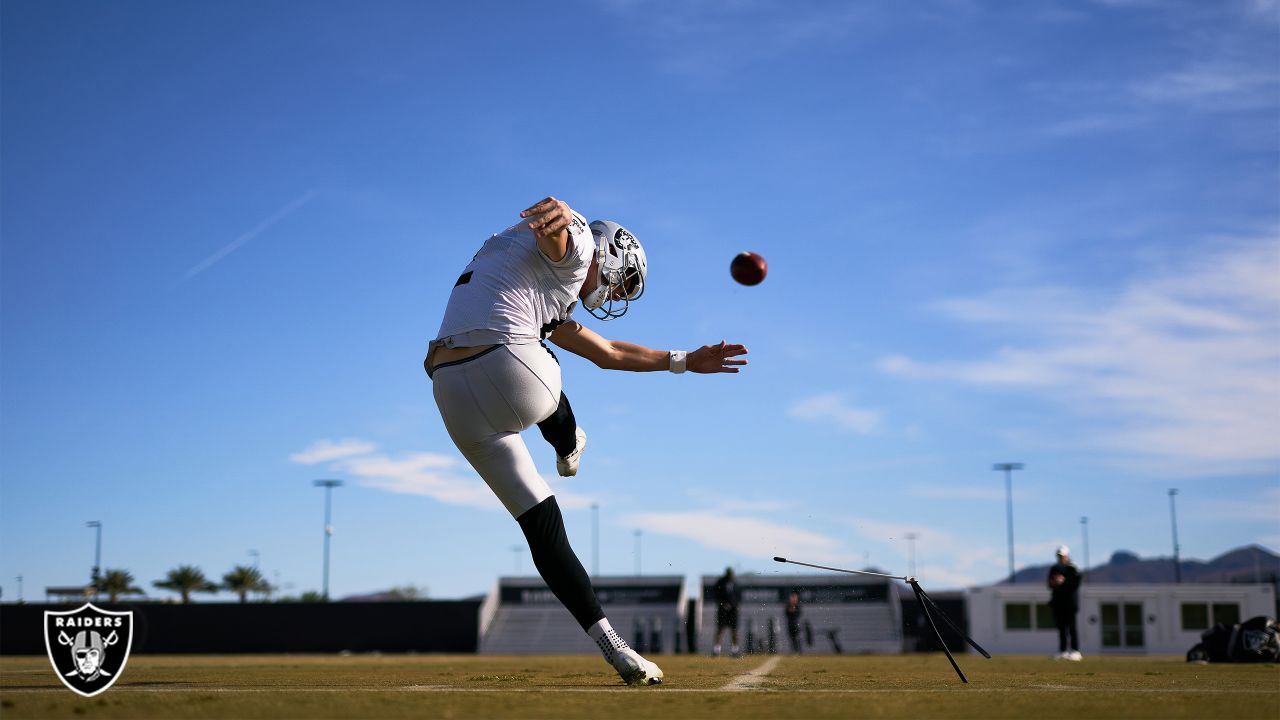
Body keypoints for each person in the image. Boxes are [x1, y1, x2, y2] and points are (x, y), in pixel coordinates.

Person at [425, 197, 749, 685]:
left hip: (450, 392)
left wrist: (684, 359)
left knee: (542, 524)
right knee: (541, 382)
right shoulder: (578, 247)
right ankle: (567, 437)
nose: (617, 291)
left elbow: (609, 352)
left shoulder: (534, 284)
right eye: (623, 278)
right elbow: (561, 240)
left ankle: (615, 647)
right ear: (610, 252)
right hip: (510, 365)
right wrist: (557, 220)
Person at [1047, 545, 1082, 661]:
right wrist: (1054, 583)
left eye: (1062, 556)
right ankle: (1062, 651)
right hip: (1058, 603)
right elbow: (1049, 584)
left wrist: (1063, 582)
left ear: (1067, 556)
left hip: (1070, 604)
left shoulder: (1073, 568)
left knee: (1072, 628)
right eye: (1058, 556)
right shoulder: (1054, 568)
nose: (1060, 558)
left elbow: (1075, 585)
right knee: (1061, 628)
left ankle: (1075, 651)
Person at [712, 567, 741, 657]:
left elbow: (738, 596)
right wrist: (723, 603)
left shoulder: (735, 584)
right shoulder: (720, 582)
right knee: (720, 629)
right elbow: (716, 594)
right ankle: (716, 650)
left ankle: (735, 650)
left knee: (734, 630)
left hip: (733, 610)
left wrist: (734, 605)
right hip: (722, 609)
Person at [784, 590, 803, 654]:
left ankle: (799, 651)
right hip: (790, 625)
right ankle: (794, 651)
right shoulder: (788, 605)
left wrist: (793, 609)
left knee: (797, 638)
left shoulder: (798, 606)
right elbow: (786, 613)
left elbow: (799, 613)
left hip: (796, 625)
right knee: (792, 639)